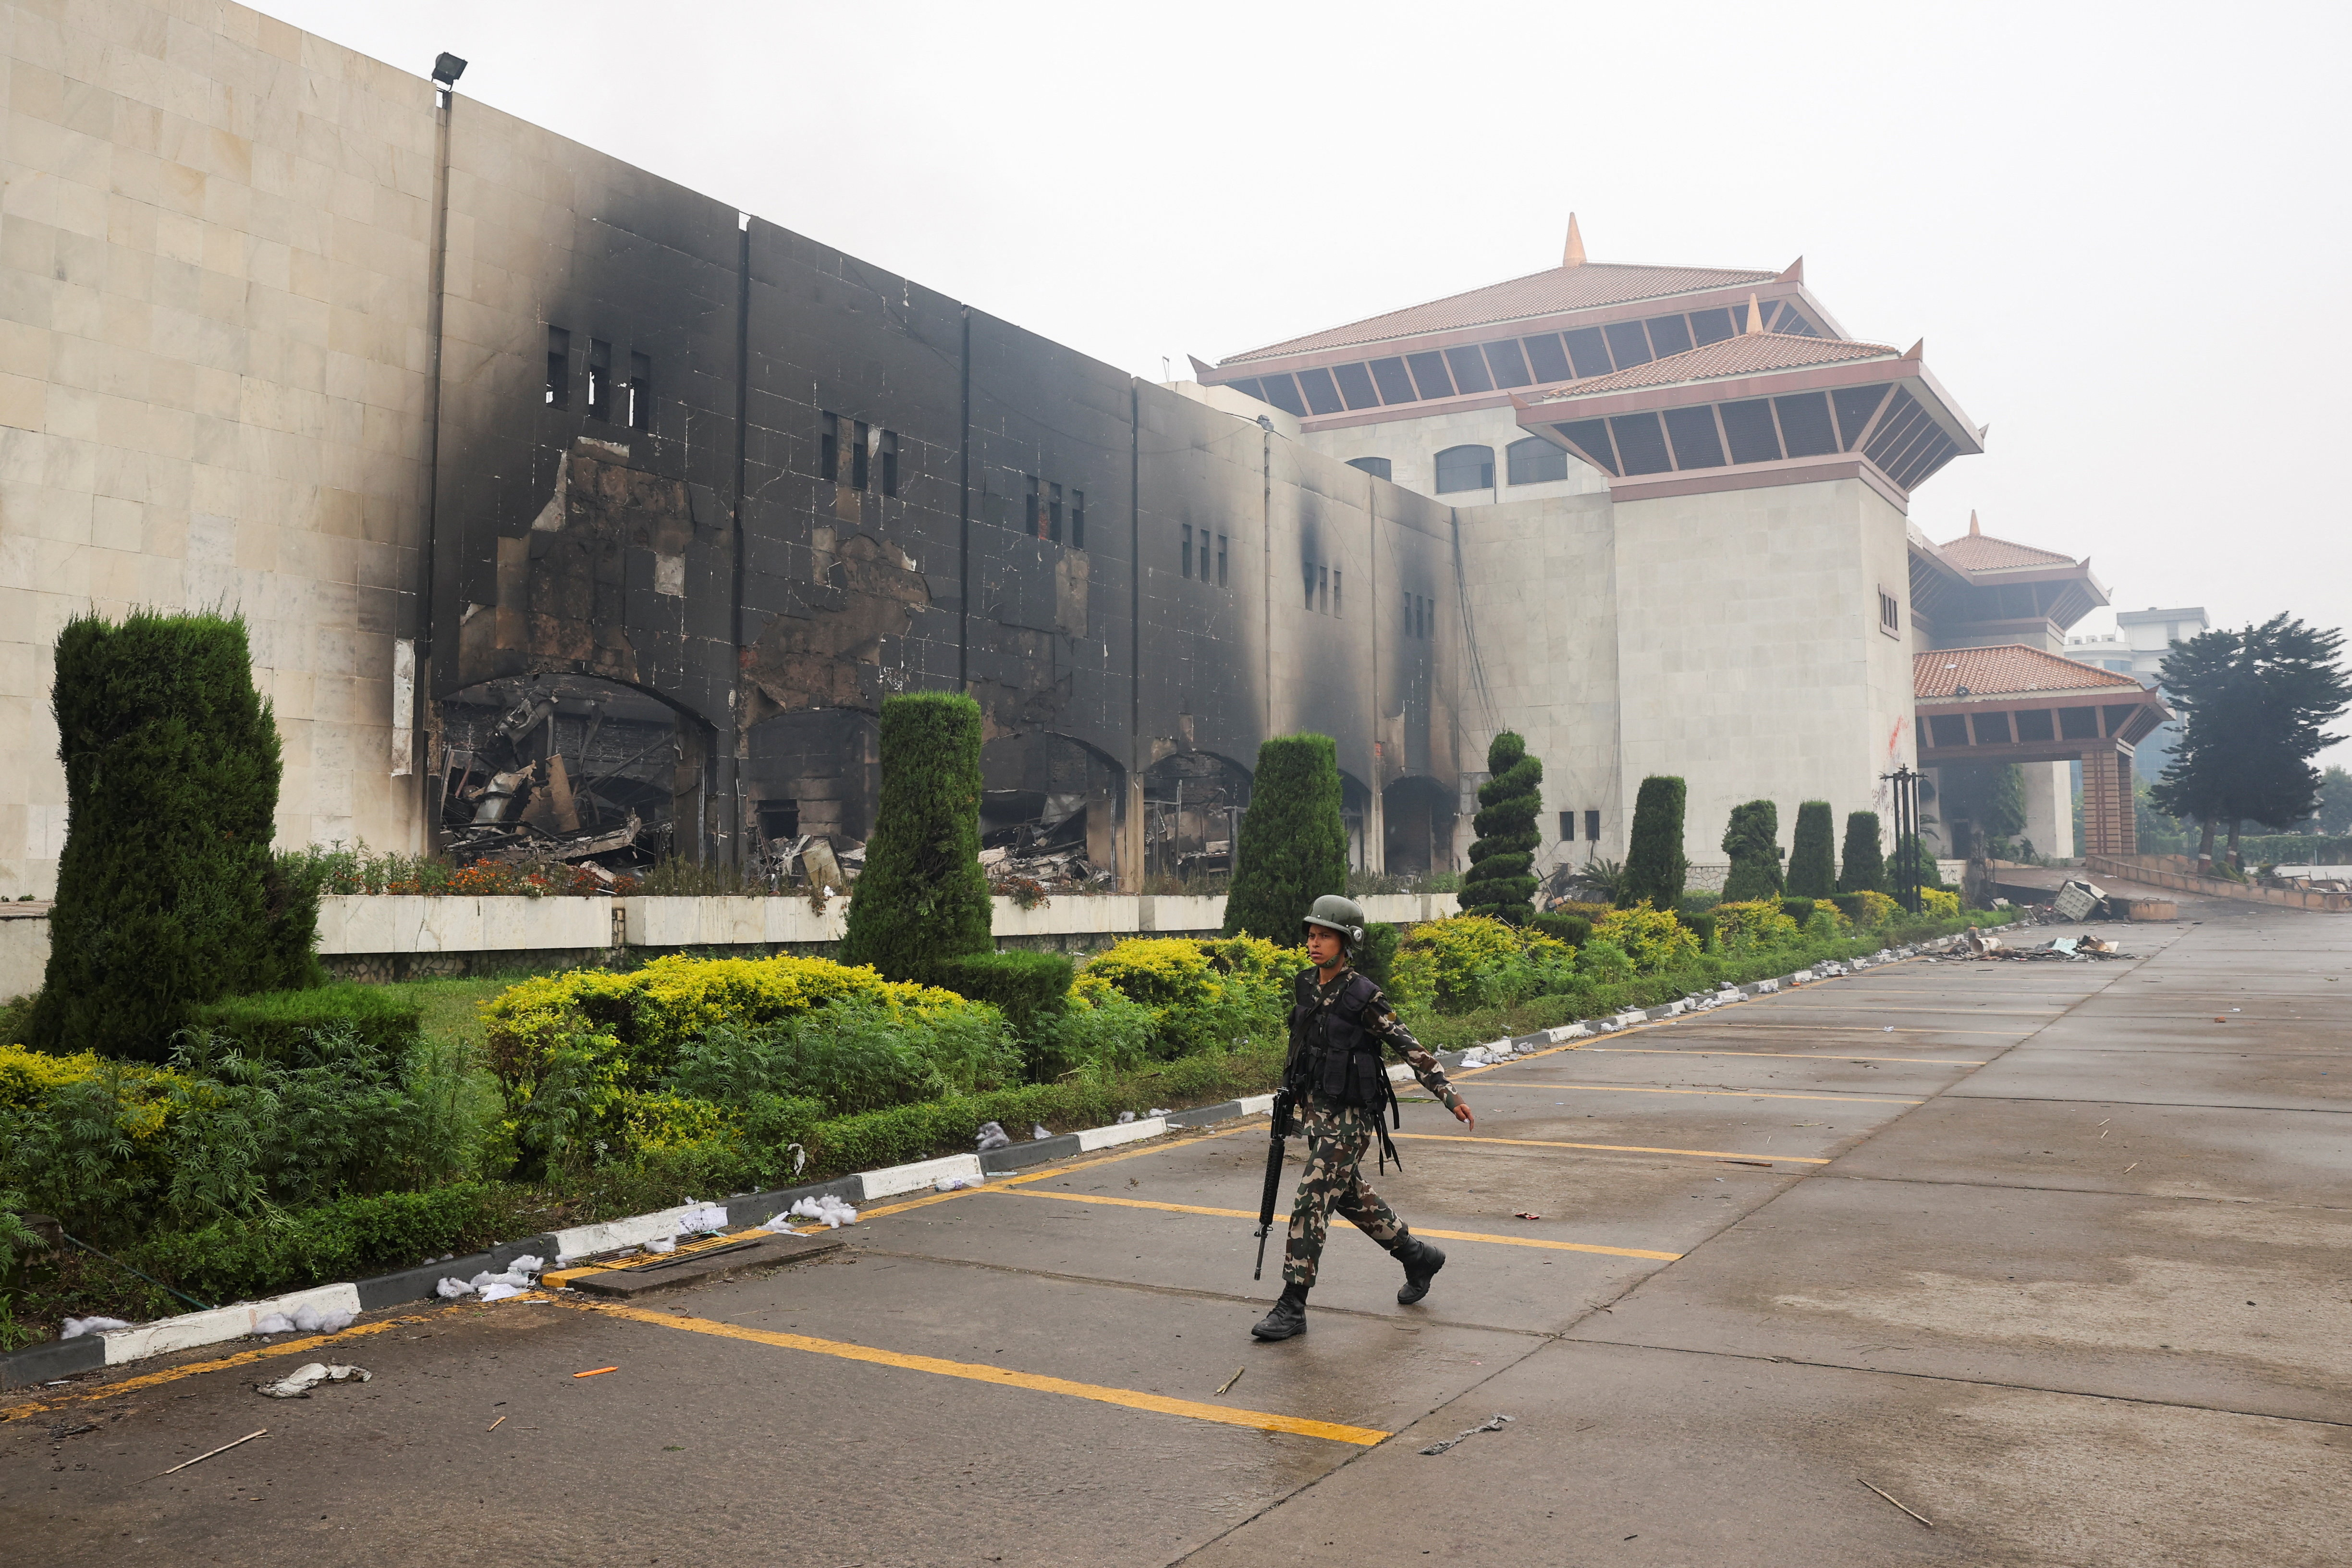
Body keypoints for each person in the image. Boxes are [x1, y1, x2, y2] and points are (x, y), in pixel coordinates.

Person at [1252, 894, 1474, 1341]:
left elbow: (1408, 1046)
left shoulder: (1363, 996)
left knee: (1311, 1200)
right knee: (1350, 1197)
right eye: (1311, 936)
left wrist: (1447, 1094)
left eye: (1324, 936)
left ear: (1346, 941)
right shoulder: (1306, 985)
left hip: (1351, 1121)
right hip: (1317, 1114)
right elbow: (1303, 1048)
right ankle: (1418, 1257)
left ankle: (1292, 1305)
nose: (1314, 944)